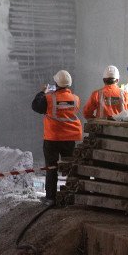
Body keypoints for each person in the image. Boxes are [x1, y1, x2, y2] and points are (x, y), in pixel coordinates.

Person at [31, 70, 82, 206]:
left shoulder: (49, 98)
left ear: (56, 84)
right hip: (69, 138)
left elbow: (36, 106)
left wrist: (43, 92)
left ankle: (51, 198)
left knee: (51, 167)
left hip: (52, 138)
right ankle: (71, 195)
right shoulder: (76, 99)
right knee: (71, 167)